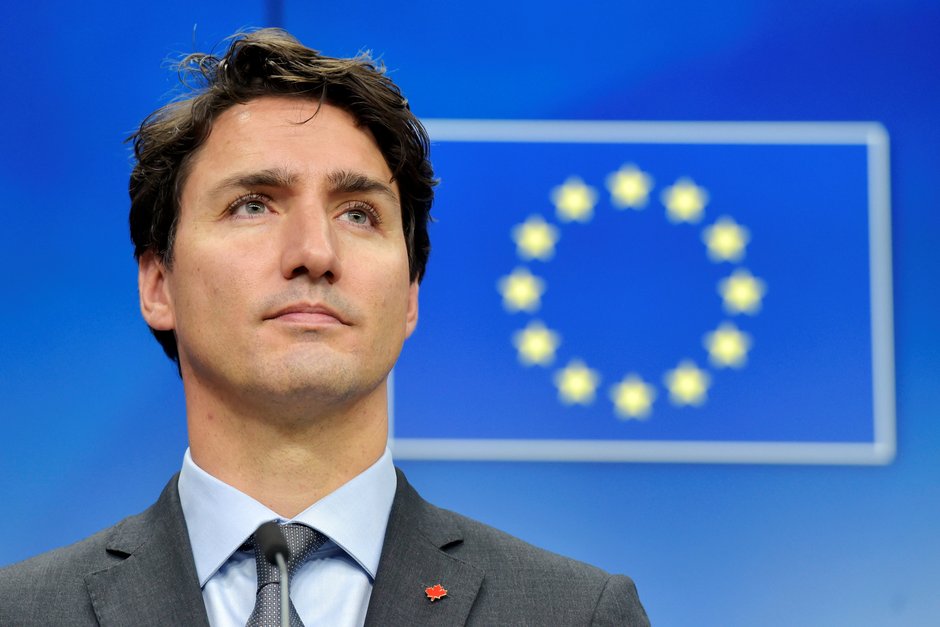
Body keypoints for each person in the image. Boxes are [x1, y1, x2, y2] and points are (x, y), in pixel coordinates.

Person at [0, 28, 649, 626]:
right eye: (253, 204)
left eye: (359, 214)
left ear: (411, 295)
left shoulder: (575, 613)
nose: (316, 251)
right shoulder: (22, 610)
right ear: (158, 285)